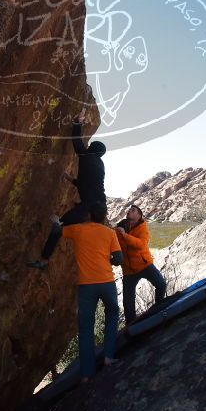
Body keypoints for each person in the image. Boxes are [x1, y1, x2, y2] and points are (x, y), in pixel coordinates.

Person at [31, 109, 107, 268]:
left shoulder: (88, 157)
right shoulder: (99, 164)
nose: (88, 145)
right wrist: (69, 178)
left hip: (90, 206)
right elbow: (88, 185)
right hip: (97, 207)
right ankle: (45, 260)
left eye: (91, 145)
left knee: (58, 227)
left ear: (93, 149)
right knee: (86, 235)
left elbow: (77, 141)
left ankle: (44, 261)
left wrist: (77, 121)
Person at [59, 202, 122, 382]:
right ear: (103, 217)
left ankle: (86, 373)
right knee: (112, 315)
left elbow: (58, 231)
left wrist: (56, 221)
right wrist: (106, 260)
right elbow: (118, 259)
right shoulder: (109, 233)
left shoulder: (78, 230)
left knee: (85, 328)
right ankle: (109, 356)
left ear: (88, 215)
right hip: (107, 283)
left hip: (86, 285)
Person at [115, 205, 166, 322]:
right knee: (128, 301)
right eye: (129, 210)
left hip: (144, 265)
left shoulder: (143, 228)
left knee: (161, 284)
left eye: (133, 210)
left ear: (139, 216)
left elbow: (141, 244)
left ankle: (158, 309)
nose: (129, 211)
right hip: (128, 270)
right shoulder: (119, 228)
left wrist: (125, 235)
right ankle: (131, 324)